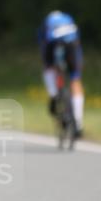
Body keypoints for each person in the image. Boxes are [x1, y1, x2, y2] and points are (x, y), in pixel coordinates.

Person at [38, 10, 84, 138]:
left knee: (49, 69)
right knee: (75, 80)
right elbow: (78, 41)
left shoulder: (46, 23)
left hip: (52, 45)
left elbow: (42, 43)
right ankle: (78, 123)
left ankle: (53, 95)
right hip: (72, 46)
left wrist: (48, 63)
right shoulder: (69, 19)